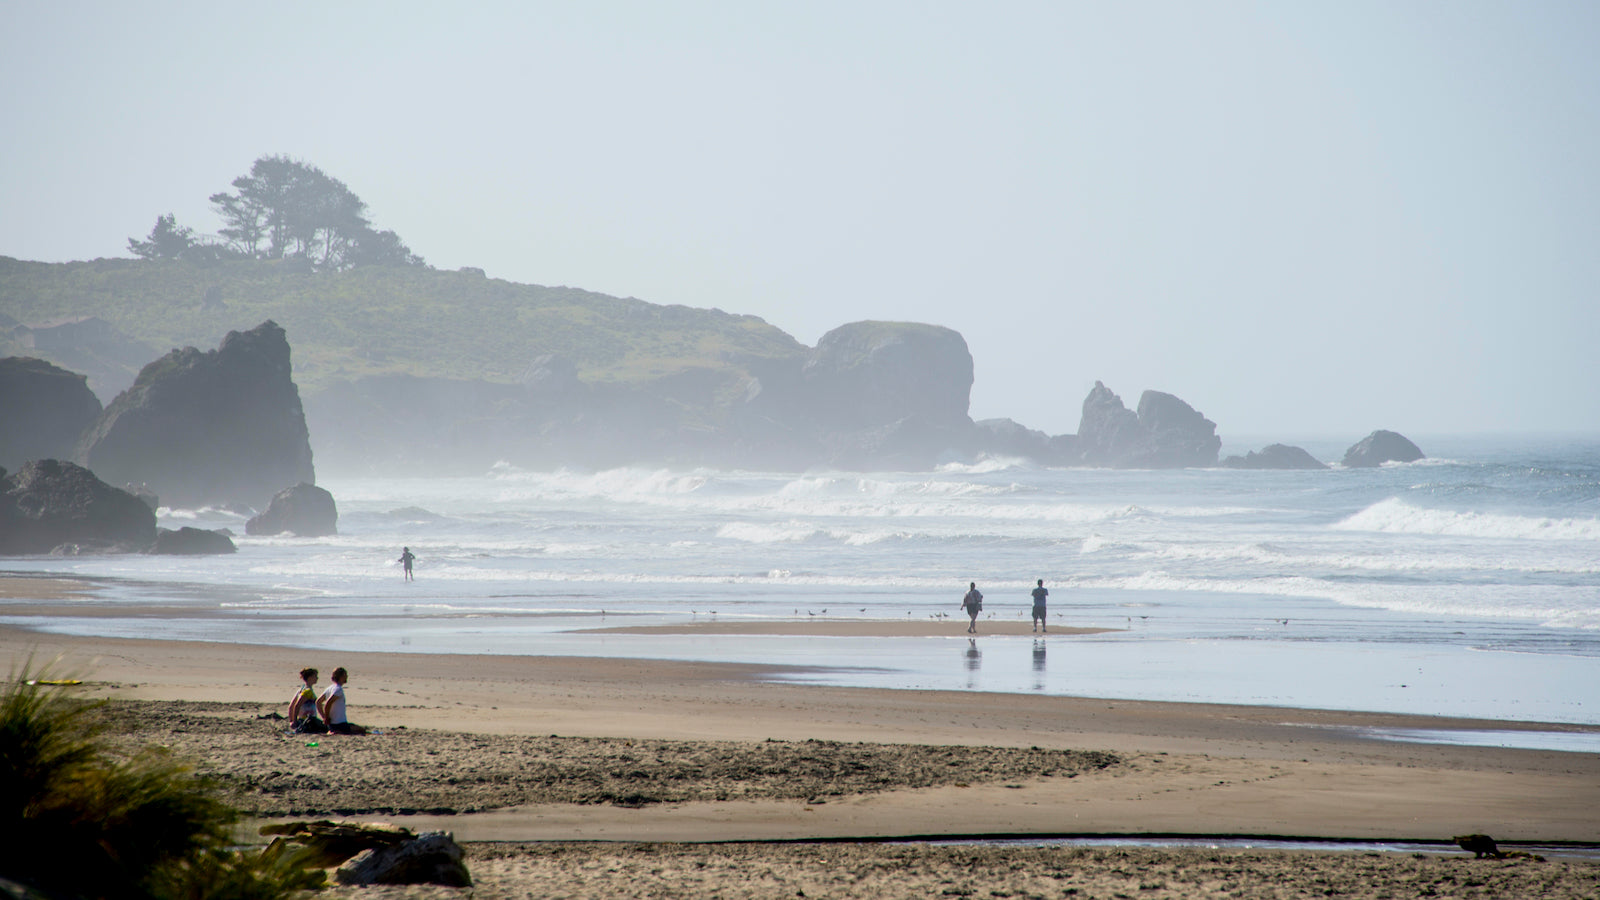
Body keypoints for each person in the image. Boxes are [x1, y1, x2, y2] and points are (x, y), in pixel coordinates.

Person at [317, 667, 368, 735]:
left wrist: (324, 717)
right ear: (341, 676)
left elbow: (318, 702)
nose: (347, 676)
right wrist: (326, 717)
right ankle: (336, 732)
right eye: (345, 675)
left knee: (356, 728)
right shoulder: (338, 689)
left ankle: (333, 731)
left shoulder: (330, 688)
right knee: (361, 730)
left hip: (334, 724)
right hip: (339, 723)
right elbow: (328, 703)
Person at [288, 667, 325, 733]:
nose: (317, 678)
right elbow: (297, 706)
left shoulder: (301, 690)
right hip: (307, 721)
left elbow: (291, 706)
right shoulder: (307, 691)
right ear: (310, 678)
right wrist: (294, 721)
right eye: (315, 676)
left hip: (303, 720)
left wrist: (291, 720)